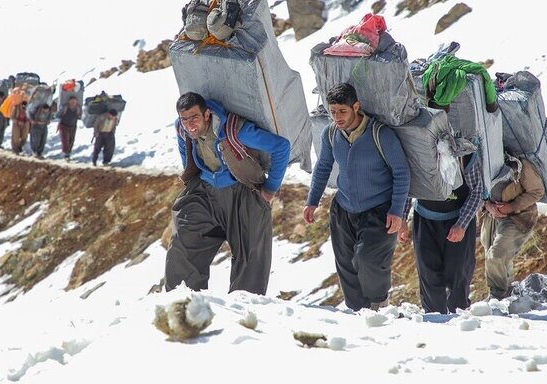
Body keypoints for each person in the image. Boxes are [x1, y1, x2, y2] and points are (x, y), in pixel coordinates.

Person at [165, 92, 291, 295]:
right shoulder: (183, 129)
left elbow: (281, 146)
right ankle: (183, 302)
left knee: (250, 257)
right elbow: (184, 148)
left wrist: (271, 188)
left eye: (194, 117)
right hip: (204, 192)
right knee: (183, 243)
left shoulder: (234, 130)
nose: (189, 124)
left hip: (242, 191)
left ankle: (243, 312)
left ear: (207, 114)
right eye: (184, 119)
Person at [303, 83, 410, 311]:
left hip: (379, 210)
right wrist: (312, 201)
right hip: (343, 208)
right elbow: (322, 167)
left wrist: (397, 211)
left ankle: (379, 306)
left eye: (342, 111)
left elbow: (402, 173)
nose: (337, 117)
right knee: (345, 265)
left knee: (367, 260)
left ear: (356, 107)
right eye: (332, 112)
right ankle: (355, 313)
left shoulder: (380, 134)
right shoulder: (330, 133)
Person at [409, 98, 484, 314]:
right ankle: (435, 324)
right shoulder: (416, 149)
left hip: (458, 219)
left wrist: (461, 225)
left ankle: (462, 324)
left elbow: (477, 191)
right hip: (425, 219)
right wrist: (401, 218)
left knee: (458, 275)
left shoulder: (465, 151)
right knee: (429, 276)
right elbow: (408, 184)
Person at [480, 154, 544, 300]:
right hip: (492, 216)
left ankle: (497, 295)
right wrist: (487, 205)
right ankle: (508, 294)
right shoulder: (482, 160)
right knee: (500, 258)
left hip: (518, 217)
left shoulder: (519, 164)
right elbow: (476, 189)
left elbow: (537, 191)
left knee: (496, 255)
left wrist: (511, 206)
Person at [56, 96, 82, 160]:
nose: (73, 103)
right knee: (65, 140)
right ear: (69, 101)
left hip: (73, 126)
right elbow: (58, 115)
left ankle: (68, 153)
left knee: (71, 140)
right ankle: (65, 154)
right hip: (63, 125)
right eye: (72, 101)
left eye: (74, 101)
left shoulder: (78, 108)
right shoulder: (64, 107)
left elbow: (80, 116)